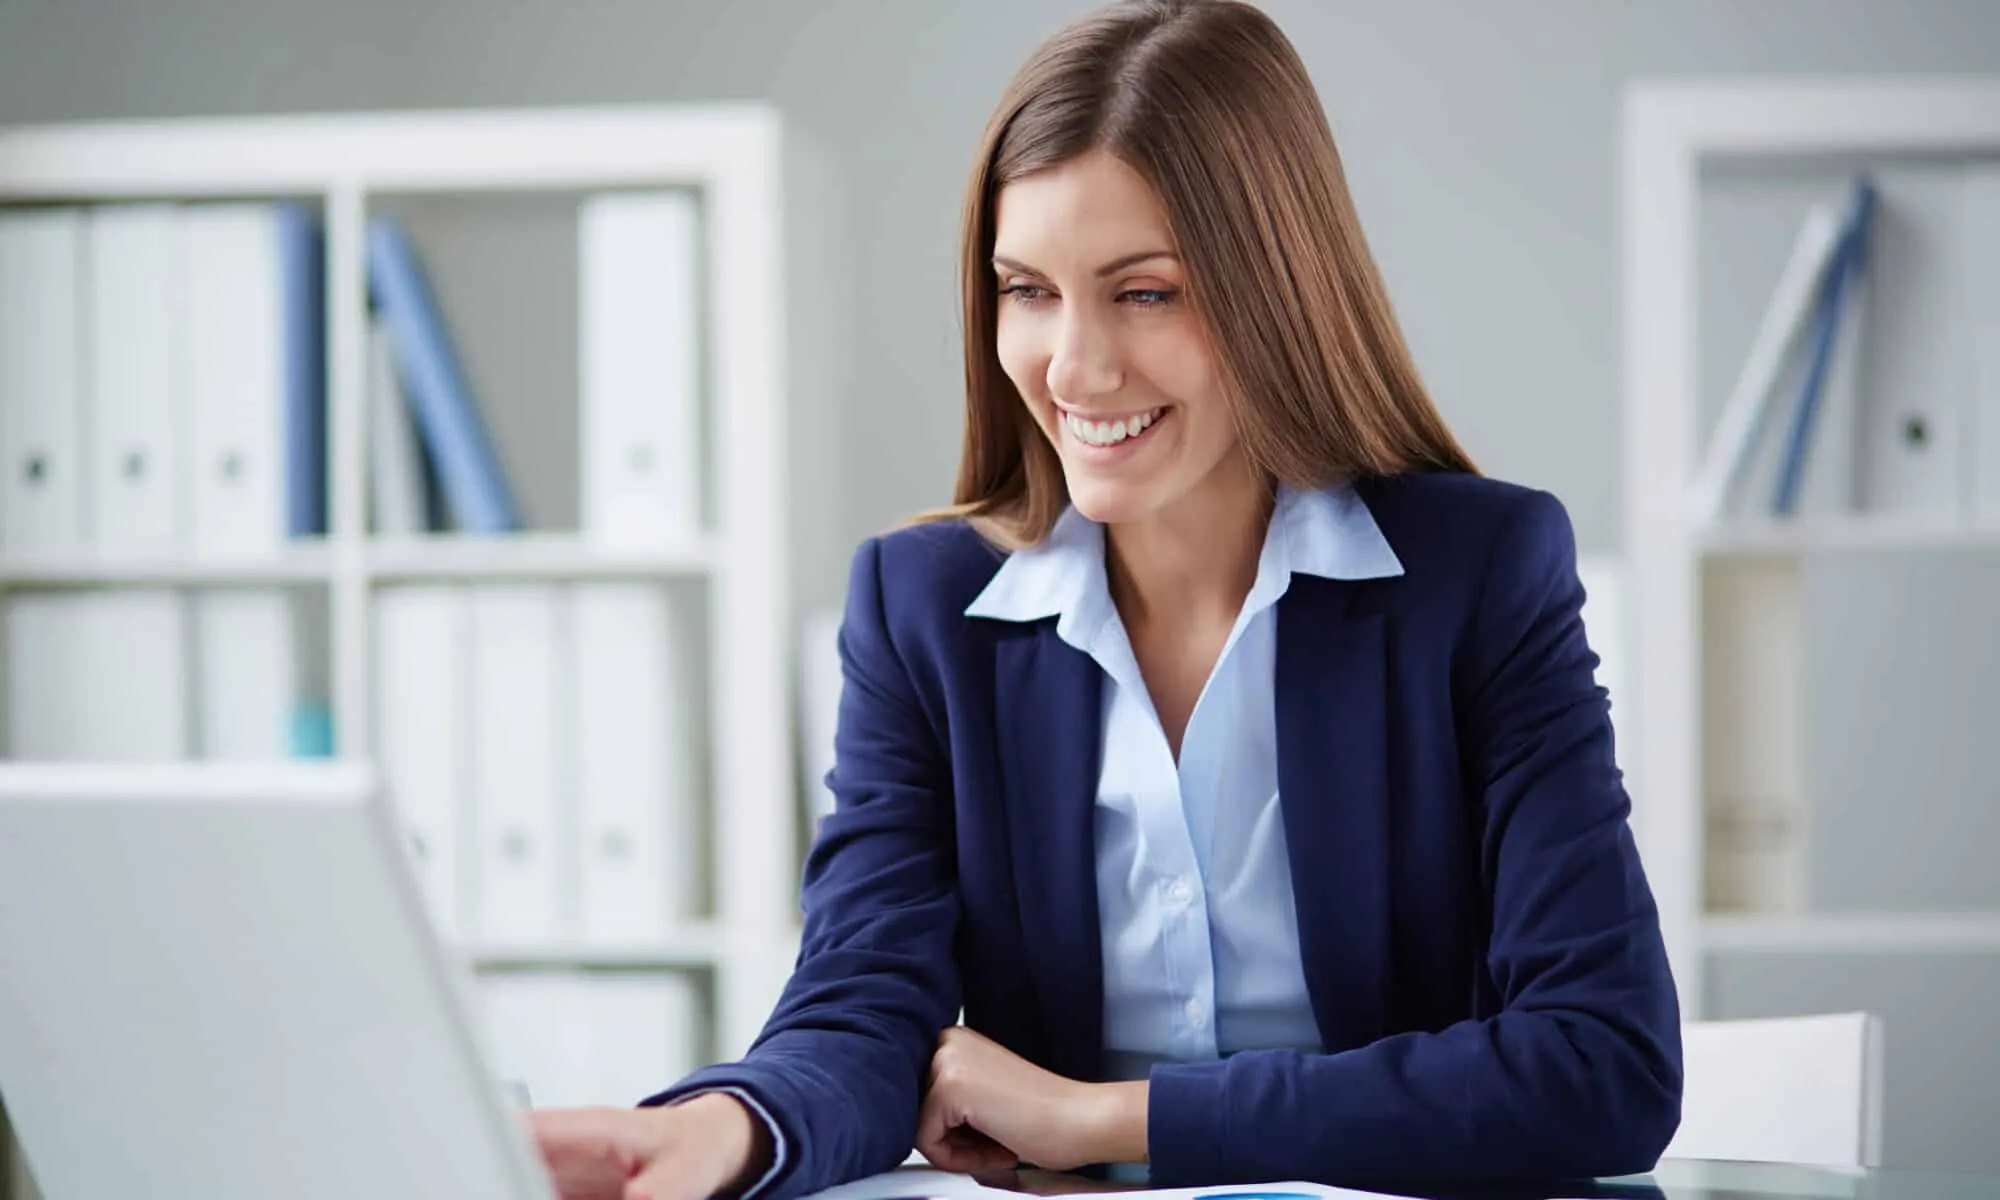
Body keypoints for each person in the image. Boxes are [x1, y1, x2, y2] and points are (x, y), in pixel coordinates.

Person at [529, 1, 1683, 1197]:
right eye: (1026, 290)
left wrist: (1103, 1118)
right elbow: (861, 999)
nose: (1074, 368)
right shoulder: (922, 607)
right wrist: (724, 1128)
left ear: (1275, 291)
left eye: (1144, 293)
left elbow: (1602, 1066)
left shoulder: (1478, 576)